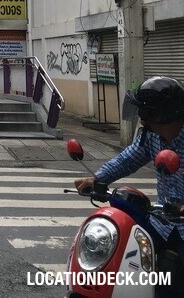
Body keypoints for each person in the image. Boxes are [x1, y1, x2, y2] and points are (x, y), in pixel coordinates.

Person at [75, 76, 184, 296]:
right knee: (123, 252)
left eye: (147, 113)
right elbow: (128, 159)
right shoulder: (152, 136)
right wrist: (99, 179)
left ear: (164, 114)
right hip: (162, 222)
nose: (143, 120)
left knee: (170, 279)